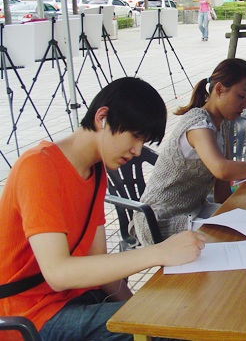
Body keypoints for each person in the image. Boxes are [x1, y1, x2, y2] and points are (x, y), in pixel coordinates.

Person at [0, 77, 206, 341]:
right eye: (135, 136)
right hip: (30, 318)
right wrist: (159, 253)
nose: (137, 150)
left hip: (74, 301)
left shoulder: (95, 172)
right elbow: (58, 273)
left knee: (170, 316)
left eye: (144, 141)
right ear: (102, 118)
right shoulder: (38, 167)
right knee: (173, 321)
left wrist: (140, 315)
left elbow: (101, 270)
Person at [132, 58, 246, 246]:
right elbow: (222, 169)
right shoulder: (198, 124)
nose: (245, 105)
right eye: (241, 96)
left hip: (191, 214)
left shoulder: (220, 125)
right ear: (220, 89)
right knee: (242, 241)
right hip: (162, 221)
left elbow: (222, 191)